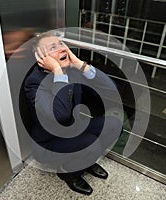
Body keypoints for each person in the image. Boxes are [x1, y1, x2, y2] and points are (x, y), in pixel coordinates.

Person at [24, 32, 122, 195]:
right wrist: (57, 71)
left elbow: (111, 90)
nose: (62, 49)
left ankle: (87, 160)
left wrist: (78, 64)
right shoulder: (33, 82)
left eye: (61, 44)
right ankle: (68, 172)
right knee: (91, 142)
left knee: (114, 126)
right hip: (49, 143)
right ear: (41, 58)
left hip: (73, 128)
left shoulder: (72, 70)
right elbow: (60, 115)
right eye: (53, 47)